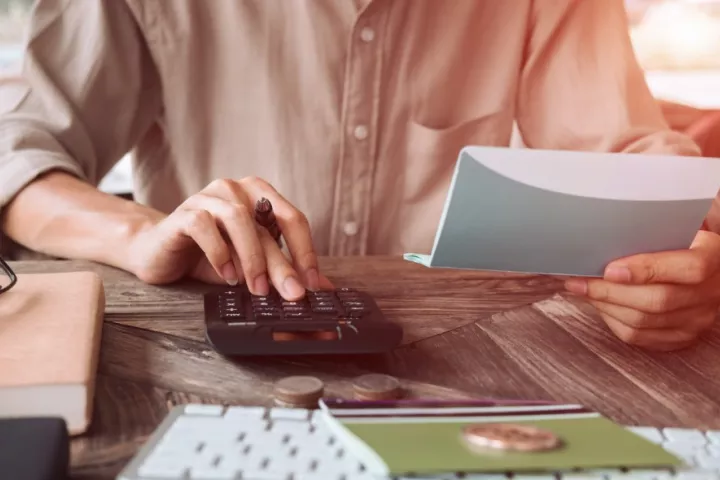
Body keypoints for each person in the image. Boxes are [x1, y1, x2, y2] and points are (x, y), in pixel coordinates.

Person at [0, 0, 718, 351]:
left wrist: (682, 251)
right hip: (201, 349)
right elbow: (18, 152)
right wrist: (142, 234)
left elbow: (631, 156)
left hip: (470, 360)